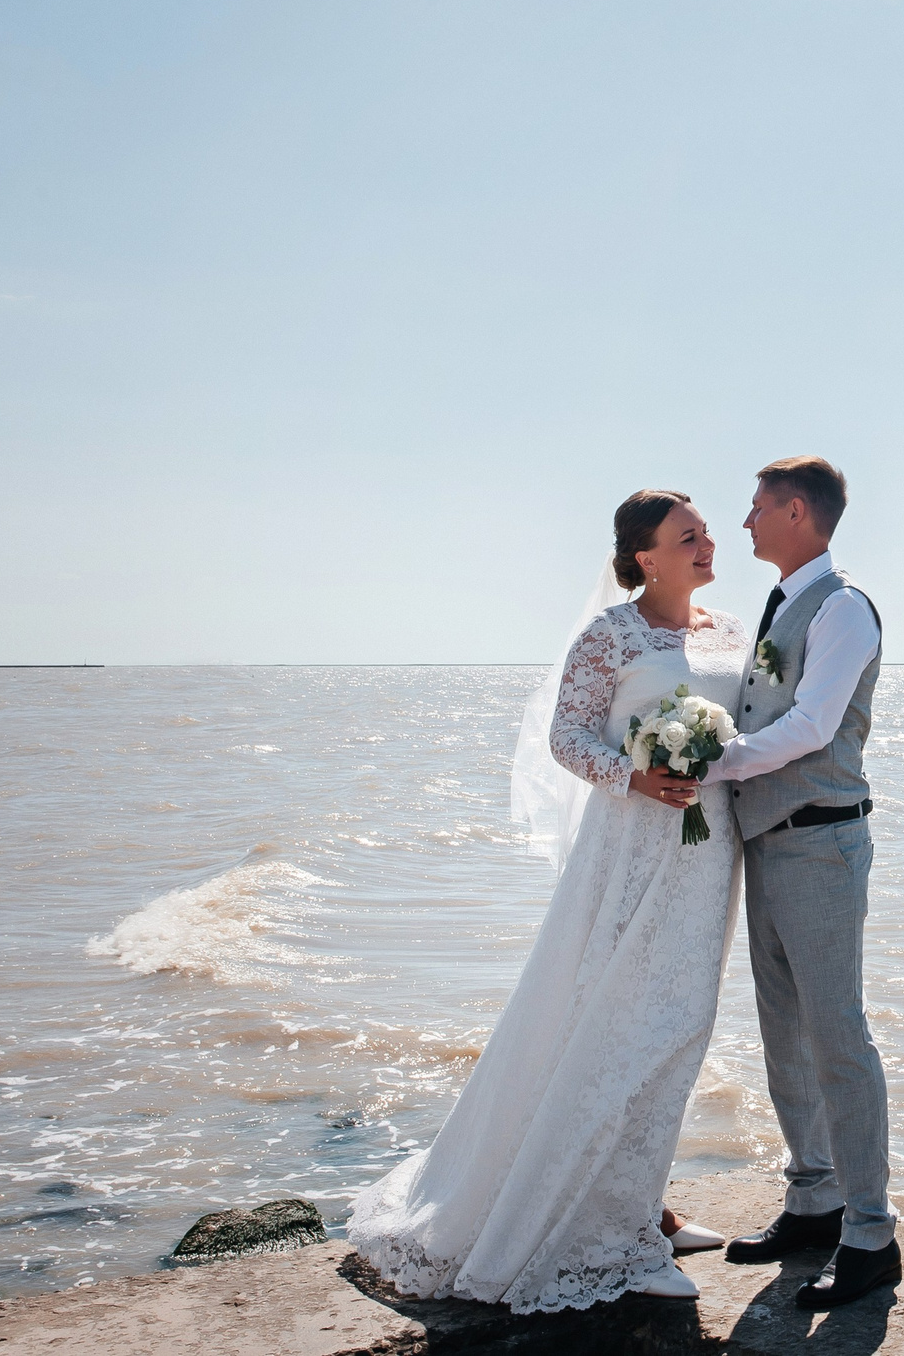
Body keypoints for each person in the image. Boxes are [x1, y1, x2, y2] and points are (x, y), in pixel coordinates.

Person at [345, 490, 747, 1310]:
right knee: (617, 1027)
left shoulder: (732, 631)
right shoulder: (611, 635)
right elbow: (567, 737)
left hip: (710, 857)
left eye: (705, 531)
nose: (709, 543)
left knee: (683, 1025)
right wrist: (636, 774)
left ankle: (649, 1208)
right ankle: (611, 1235)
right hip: (631, 850)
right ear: (645, 556)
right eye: (689, 535)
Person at [699, 455, 901, 1310]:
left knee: (838, 1038)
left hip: (821, 846)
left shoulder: (845, 607)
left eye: (753, 508)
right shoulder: (782, 604)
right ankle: (813, 1199)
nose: (743, 522)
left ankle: (871, 1232)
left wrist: (714, 760)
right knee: (783, 1033)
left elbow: (813, 725)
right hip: (768, 846)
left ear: (793, 511)